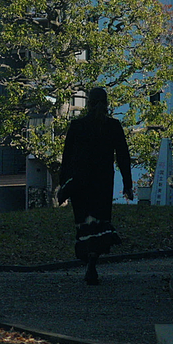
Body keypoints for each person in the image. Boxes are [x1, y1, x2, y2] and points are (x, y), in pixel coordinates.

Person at [58, 87, 134, 285]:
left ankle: (87, 257)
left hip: (80, 182)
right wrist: (127, 184)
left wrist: (63, 185)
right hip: (102, 182)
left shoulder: (77, 126)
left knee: (84, 222)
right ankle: (92, 261)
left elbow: (67, 158)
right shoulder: (113, 126)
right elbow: (123, 157)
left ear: (88, 103)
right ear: (106, 103)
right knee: (99, 222)